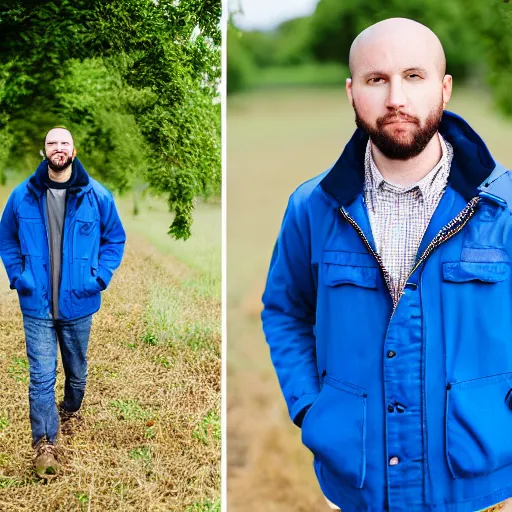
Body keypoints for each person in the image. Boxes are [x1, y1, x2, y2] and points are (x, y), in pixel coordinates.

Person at [261, 18, 512, 512]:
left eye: (413, 76)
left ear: (444, 88)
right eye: (378, 80)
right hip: (359, 485)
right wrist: (314, 408)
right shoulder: (312, 208)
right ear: (353, 92)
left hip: (482, 488)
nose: (396, 97)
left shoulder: (503, 208)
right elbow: (284, 312)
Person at [0, 127, 126, 479]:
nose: (58, 148)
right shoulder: (21, 196)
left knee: (76, 373)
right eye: (52, 143)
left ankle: (71, 409)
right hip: (36, 303)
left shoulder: (97, 196)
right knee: (41, 376)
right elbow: (6, 239)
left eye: (64, 143)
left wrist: (98, 278)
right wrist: (18, 275)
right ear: (44, 151)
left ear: (74, 149)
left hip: (78, 302)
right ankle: (45, 444)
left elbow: (115, 239)